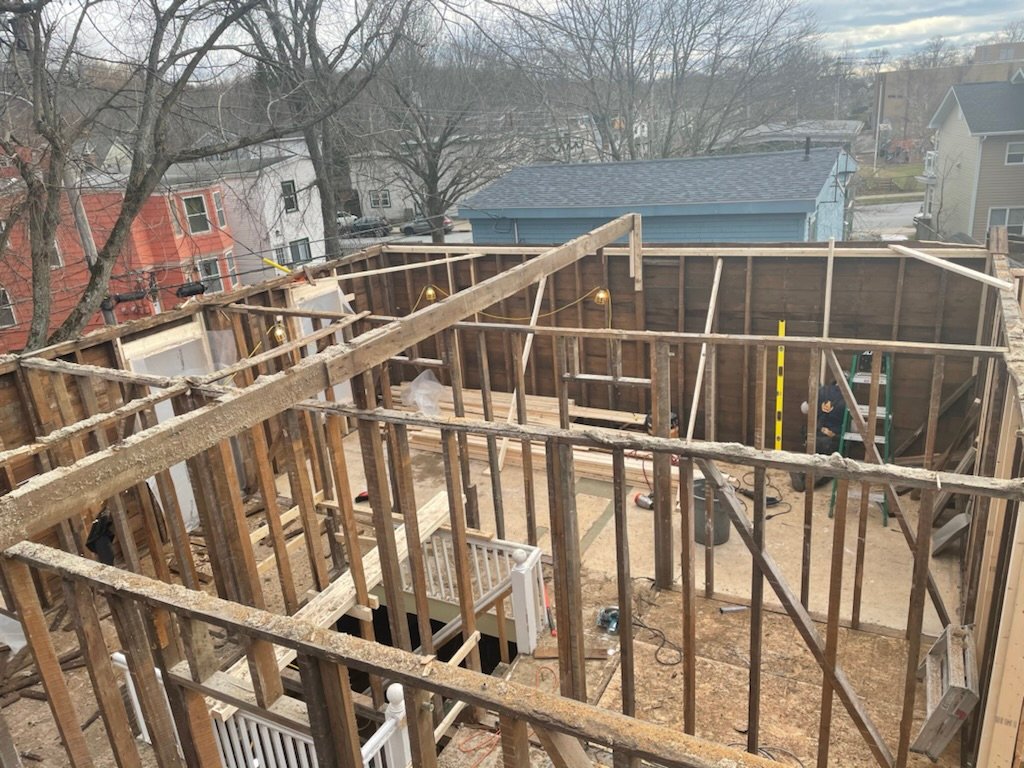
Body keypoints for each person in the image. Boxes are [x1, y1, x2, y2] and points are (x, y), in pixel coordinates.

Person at [791, 382, 846, 492]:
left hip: (814, 436)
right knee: (831, 468)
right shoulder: (847, 398)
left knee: (811, 459)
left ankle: (799, 472)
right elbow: (854, 428)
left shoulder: (822, 391)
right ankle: (814, 480)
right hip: (831, 441)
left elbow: (804, 408)